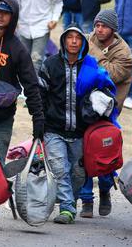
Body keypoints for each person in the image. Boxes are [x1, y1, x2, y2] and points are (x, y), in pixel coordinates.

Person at [0, 0, 45, 228]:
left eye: (5, 12)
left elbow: (31, 86)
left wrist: (38, 119)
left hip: (2, 119)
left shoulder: (18, 49)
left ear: (12, 17)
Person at [38, 25, 116, 224]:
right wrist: (40, 121)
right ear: (63, 41)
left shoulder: (91, 66)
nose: (73, 41)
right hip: (54, 129)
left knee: (79, 173)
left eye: (77, 38)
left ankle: (68, 201)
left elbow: (106, 90)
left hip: (82, 132)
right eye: (69, 37)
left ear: (83, 42)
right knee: (60, 169)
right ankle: (67, 208)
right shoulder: (50, 65)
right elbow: (40, 95)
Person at [78, 9, 132, 218]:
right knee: (83, 153)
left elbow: (109, 73)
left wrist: (89, 52)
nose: (99, 29)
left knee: (104, 154)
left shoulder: (124, 53)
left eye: (104, 26)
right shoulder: (86, 39)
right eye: (97, 25)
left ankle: (104, 190)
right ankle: (86, 200)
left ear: (113, 29)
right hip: (84, 109)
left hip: (108, 114)